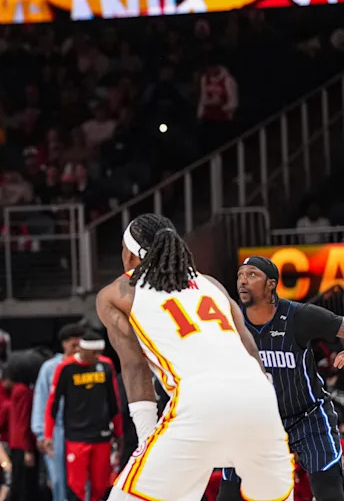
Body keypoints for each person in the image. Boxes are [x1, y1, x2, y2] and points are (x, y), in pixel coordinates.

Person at [96, 213, 293, 501]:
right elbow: (250, 348)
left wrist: (147, 437)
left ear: (129, 257)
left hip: (198, 401)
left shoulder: (117, 292)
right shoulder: (212, 284)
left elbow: (134, 367)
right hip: (260, 396)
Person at [217, 256, 344, 501]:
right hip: (253, 420)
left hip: (306, 415)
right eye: (240, 275)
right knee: (228, 493)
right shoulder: (228, 320)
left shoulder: (299, 316)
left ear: (271, 284)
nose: (243, 281)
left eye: (252, 274)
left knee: (329, 488)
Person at [43, 330, 122, 501]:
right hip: (76, 436)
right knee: (76, 487)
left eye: (99, 353)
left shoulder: (106, 365)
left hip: (101, 436)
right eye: (94, 353)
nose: (97, 356)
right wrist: (48, 435)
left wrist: (119, 433)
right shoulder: (65, 368)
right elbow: (53, 403)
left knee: (100, 487)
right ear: (83, 350)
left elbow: (114, 401)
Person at [31, 323, 83, 501]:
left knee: (82, 480)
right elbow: (41, 398)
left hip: (81, 427)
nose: (76, 348)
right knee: (58, 479)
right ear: (64, 344)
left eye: (79, 344)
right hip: (55, 429)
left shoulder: (87, 365)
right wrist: (40, 432)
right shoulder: (49, 367)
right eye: (73, 344)